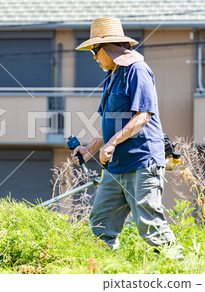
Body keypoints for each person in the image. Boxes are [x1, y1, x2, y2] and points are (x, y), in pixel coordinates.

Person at [73, 17, 180, 255]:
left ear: (109, 48)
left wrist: (111, 144)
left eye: (95, 50)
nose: (94, 57)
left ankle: (180, 267)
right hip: (116, 166)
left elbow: (143, 116)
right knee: (101, 224)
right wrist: (89, 148)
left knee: (149, 225)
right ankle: (105, 271)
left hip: (142, 161)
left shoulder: (138, 71)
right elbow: (109, 122)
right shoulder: (112, 75)